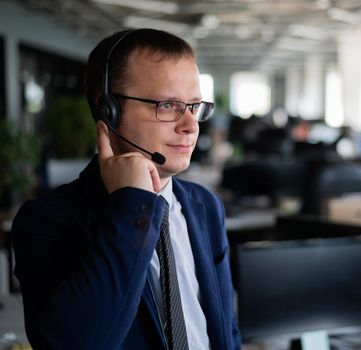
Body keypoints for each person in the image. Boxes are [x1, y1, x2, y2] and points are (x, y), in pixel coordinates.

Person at [11, 28, 241, 350]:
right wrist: (132, 205)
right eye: (167, 105)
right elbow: (75, 343)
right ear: (108, 111)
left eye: (194, 106)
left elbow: (225, 329)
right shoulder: (46, 221)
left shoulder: (206, 206)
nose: (191, 126)